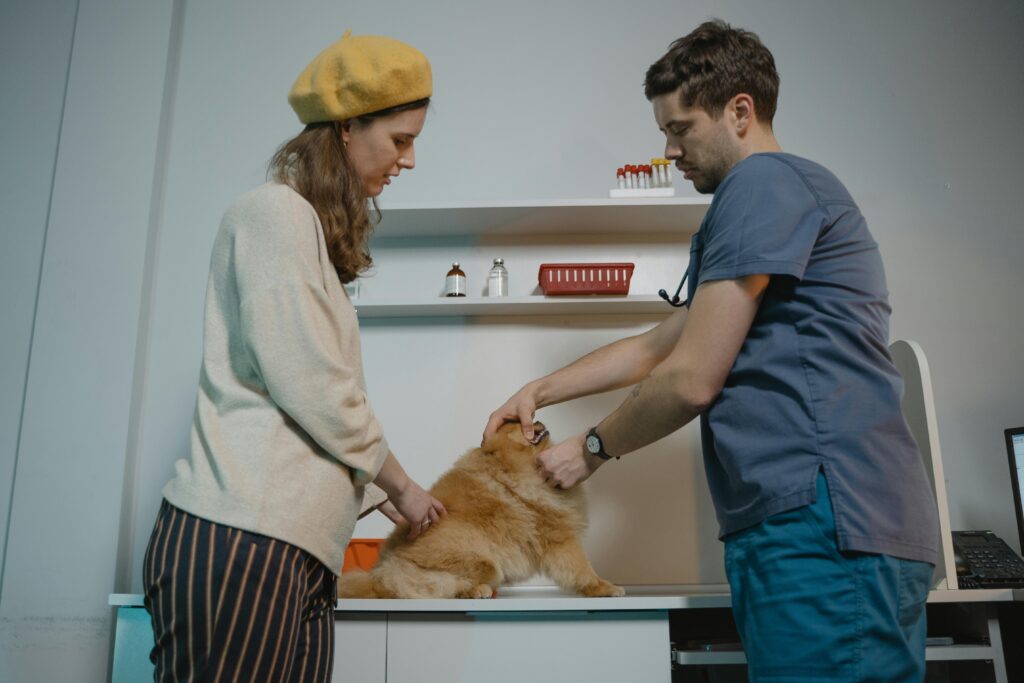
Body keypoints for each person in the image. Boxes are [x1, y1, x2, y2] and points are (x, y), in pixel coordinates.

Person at [484, 20, 939, 682]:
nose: (669, 149)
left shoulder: (761, 186)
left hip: (822, 524)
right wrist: (540, 391)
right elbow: (657, 344)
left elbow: (692, 377)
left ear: (740, 111)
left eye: (679, 128)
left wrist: (589, 451)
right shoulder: (774, 201)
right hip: (826, 524)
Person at [142, 30, 446, 683]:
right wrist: (401, 484)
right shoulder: (274, 214)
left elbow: (299, 410)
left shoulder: (302, 228)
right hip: (241, 541)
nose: (410, 159)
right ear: (344, 127)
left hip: (292, 549)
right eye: (400, 139)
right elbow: (313, 385)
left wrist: (366, 487)